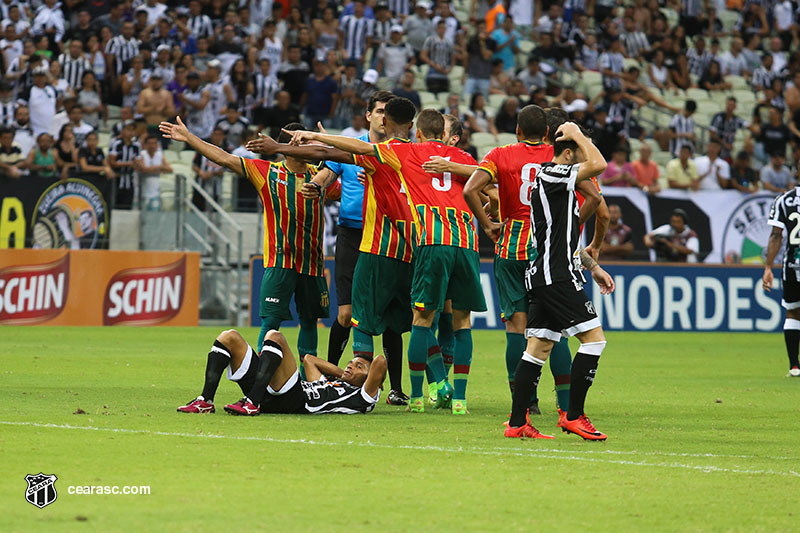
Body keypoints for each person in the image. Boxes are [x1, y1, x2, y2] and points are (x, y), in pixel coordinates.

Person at [280, 109, 484, 415]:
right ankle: (447, 391)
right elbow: (490, 184)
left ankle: (408, 393)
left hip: (395, 246)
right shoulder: (464, 159)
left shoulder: (401, 152)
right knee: (449, 317)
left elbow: (342, 152)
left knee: (381, 318)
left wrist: (300, 141)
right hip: (454, 241)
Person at [248, 97, 419, 408]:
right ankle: (337, 376)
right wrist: (316, 183)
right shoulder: (355, 146)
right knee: (348, 313)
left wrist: (291, 145)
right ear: (369, 115)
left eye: (385, 112)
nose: (381, 117)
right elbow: (325, 167)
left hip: (392, 237)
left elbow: (322, 151)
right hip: (355, 237)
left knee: (393, 320)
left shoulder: (393, 151)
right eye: (377, 111)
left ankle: (394, 387)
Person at [460, 105, 602, 418]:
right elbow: (594, 198)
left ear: (518, 131)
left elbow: (471, 189)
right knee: (559, 327)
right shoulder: (557, 158)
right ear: (549, 134)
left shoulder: (500, 154)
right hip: (547, 250)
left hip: (511, 245)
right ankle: (566, 405)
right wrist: (569, 225)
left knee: (516, 326)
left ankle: (524, 403)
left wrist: (487, 225)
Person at [160, 117, 330, 361]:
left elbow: (346, 185)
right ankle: (260, 379)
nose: (308, 146)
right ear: (290, 147)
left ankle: (307, 381)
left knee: (309, 321)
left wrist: (330, 149)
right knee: (271, 323)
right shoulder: (268, 173)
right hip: (280, 260)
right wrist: (189, 138)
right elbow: (223, 158)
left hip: (313, 263)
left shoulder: (319, 177)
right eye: (304, 142)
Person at [506, 121, 614, 441]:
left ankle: (516, 422)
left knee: (538, 348)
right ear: (567, 153)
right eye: (577, 154)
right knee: (594, 340)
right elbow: (600, 165)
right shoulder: (554, 173)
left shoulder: (552, 180)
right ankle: (575, 416)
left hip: (546, 273)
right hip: (557, 277)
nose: (583, 162)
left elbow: (562, 239)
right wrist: (578, 134)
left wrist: (591, 265)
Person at [177, 328, 386, 416]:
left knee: (274, 336)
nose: (351, 365)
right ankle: (205, 401)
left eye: (359, 366)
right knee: (228, 337)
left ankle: (252, 403)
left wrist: (370, 378)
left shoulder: (362, 397)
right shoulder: (331, 383)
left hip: (296, 401)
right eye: (351, 363)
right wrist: (343, 373)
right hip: (273, 391)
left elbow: (380, 361)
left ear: (373, 381)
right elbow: (310, 361)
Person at [764, 186, 800, 377]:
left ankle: (794, 366)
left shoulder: (784, 200)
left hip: (793, 264)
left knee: (793, 312)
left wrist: (768, 267)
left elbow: (776, 235)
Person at [108, 120, 142, 209]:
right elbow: (112, 162)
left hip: (129, 179)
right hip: (116, 178)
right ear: (122, 131)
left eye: (133, 130)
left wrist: (137, 164)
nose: (130, 132)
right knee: (114, 204)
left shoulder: (136, 145)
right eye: (128, 129)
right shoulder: (116, 143)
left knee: (127, 205)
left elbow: (138, 162)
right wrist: (129, 163)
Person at [135, 134, 171, 211]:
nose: (152, 146)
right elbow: (143, 169)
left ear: (157, 145)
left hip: (155, 192)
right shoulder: (142, 154)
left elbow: (170, 169)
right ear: (145, 145)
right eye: (149, 143)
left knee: (155, 214)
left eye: (154, 143)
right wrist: (159, 168)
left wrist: (154, 168)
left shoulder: (160, 155)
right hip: (142, 192)